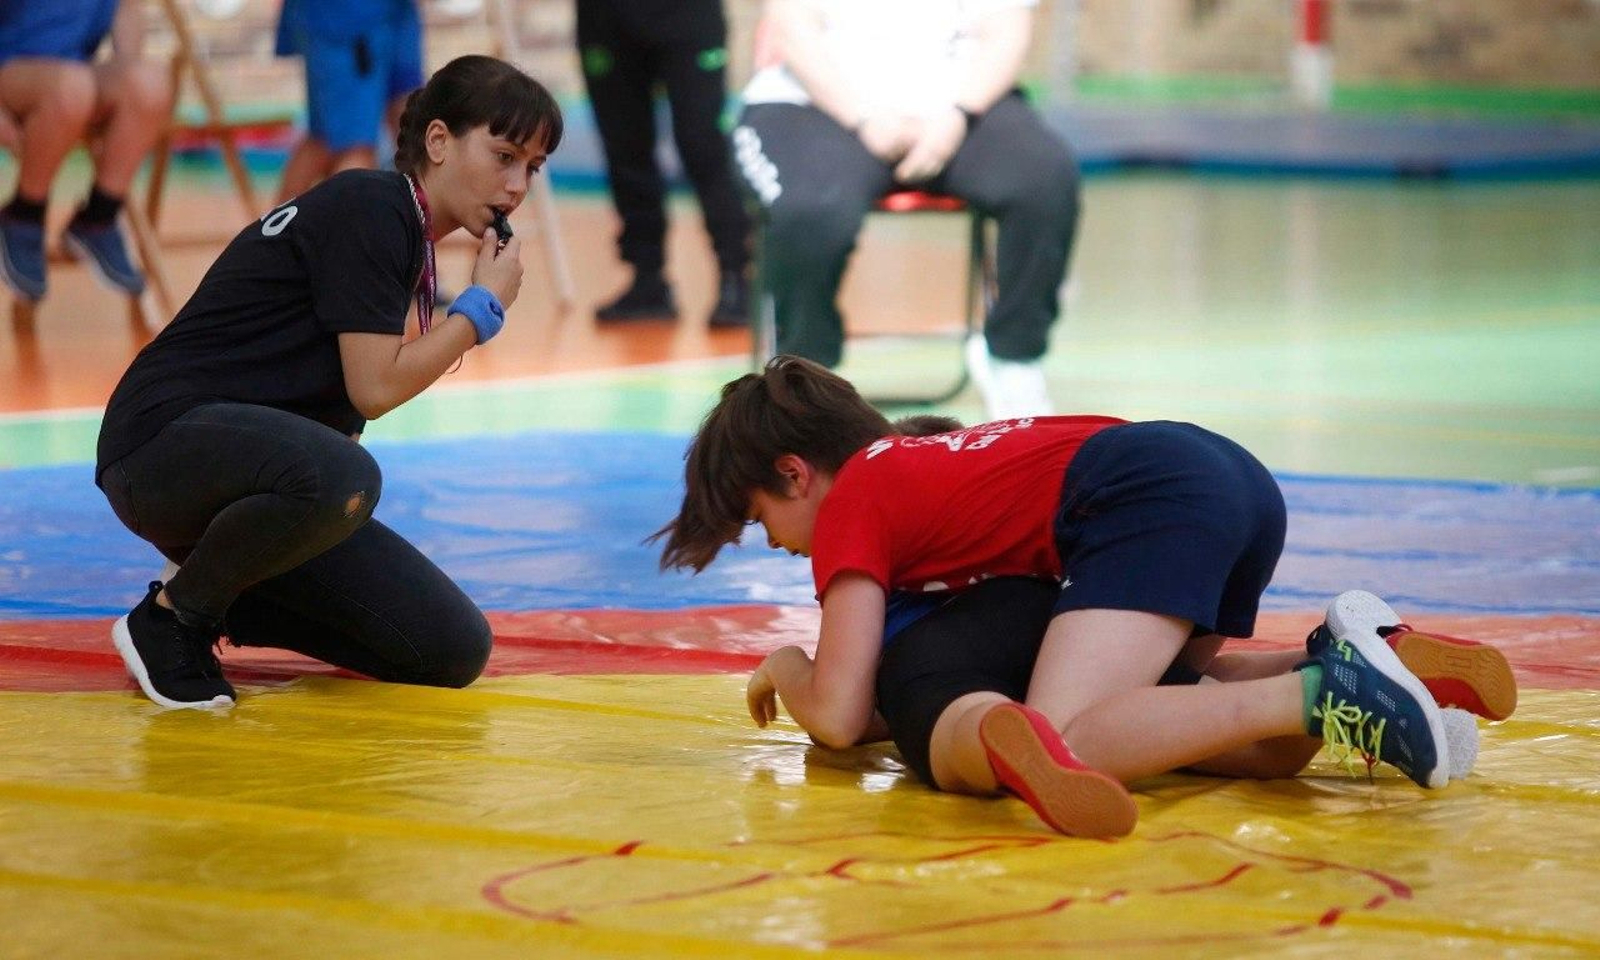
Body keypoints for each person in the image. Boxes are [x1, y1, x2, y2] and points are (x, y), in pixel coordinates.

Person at [656, 357, 1517, 837]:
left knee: (1070, 734)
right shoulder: (930, 462)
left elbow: (842, 713)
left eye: (763, 520)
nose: (778, 542)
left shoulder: (856, 499)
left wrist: (786, 660)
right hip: (1221, 475)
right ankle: (1354, 656)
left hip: (1143, 494)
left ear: (795, 473)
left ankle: (1327, 691)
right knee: (1172, 694)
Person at [94, 55, 562, 709]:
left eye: (532, 168)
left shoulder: (403, 232)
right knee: (346, 476)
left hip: (236, 468)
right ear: (438, 141)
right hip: (159, 442)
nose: (517, 185)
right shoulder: (375, 207)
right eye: (505, 155)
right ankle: (173, 620)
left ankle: (222, 588)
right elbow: (374, 389)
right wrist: (480, 311)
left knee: (450, 648)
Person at [734, 0, 1079, 419]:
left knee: (1044, 181)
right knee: (811, 208)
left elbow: (1007, 29)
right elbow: (793, 30)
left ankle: (1014, 357)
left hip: (956, 107)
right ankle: (806, 372)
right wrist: (864, 120)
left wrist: (958, 117)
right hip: (813, 104)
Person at [576, 0, 750, 327]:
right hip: (605, 17)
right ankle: (647, 278)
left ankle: (736, 275)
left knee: (703, 143)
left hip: (688, 15)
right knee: (624, 144)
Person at [0, 0, 171, 301]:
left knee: (150, 82)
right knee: (73, 88)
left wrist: (126, 93)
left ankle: (99, 217)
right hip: (11, 69)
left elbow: (127, 8)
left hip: (75, 73)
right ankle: (23, 216)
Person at [273, 0, 425, 202]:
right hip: (347, 22)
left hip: (393, 13)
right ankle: (281, 230)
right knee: (352, 146)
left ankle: (417, 226)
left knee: (410, 122)